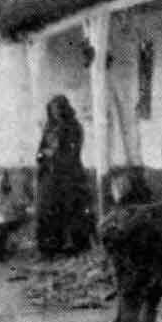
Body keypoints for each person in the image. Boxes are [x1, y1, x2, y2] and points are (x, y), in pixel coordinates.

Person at [35, 94, 93, 260]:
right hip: (50, 176)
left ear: (64, 109)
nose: (55, 113)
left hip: (69, 175)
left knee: (72, 209)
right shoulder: (49, 128)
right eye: (52, 110)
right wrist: (43, 155)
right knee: (47, 210)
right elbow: (40, 151)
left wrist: (55, 156)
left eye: (57, 109)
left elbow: (73, 152)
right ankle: (49, 248)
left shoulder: (73, 127)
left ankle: (75, 246)